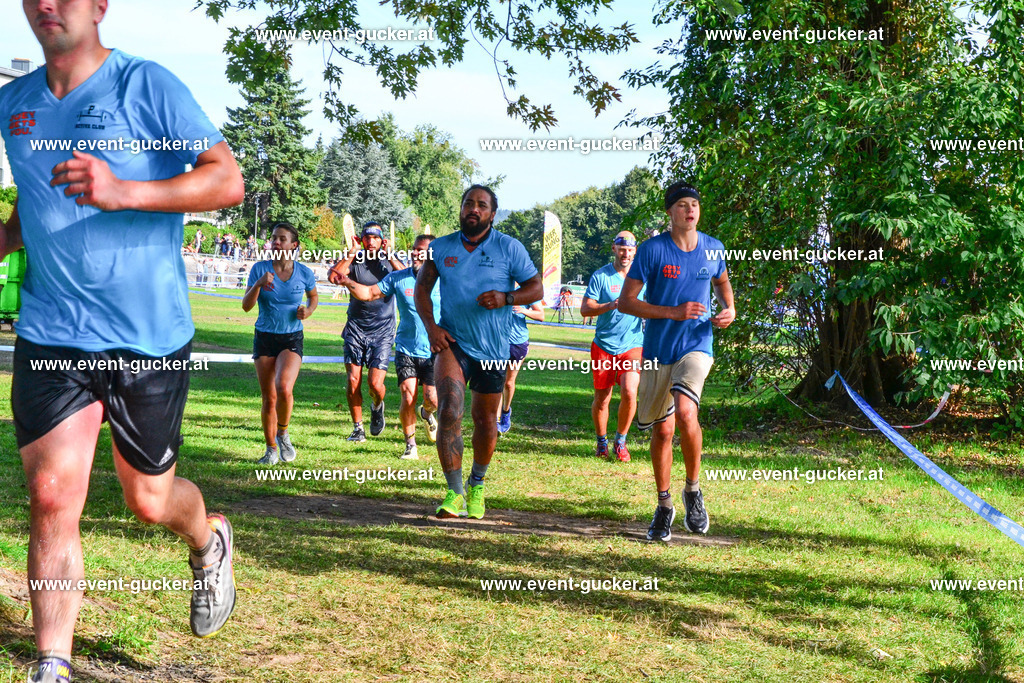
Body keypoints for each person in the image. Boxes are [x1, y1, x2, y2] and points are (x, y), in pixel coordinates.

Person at [0, 2, 246, 680]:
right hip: (52, 331)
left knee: (148, 499)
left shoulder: (147, 86)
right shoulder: (14, 104)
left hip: (146, 337)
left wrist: (123, 190)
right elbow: (37, 198)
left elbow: (228, 179)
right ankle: (52, 664)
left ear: (100, 5)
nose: (49, 5)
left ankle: (208, 538)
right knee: (51, 492)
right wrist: (7, 236)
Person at [415, 185, 543, 519]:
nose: (474, 208)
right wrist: (431, 328)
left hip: (493, 349)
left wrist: (507, 298)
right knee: (448, 411)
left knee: (485, 420)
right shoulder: (441, 248)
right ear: (461, 209)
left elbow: (536, 288)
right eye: (468, 203)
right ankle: (455, 492)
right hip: (452, 344)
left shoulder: (508, 247)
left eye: (481, 205)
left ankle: (478, 482)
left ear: (492, 213)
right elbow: (422, 290)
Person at [619, 182, 735, 541]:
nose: (690, 210)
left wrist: (729, 307)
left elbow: (722, 282)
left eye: (695, 204)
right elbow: (626, 302)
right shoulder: (653, 251)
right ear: (670, 212)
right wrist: (672, 312)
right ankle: (665, 505)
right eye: (683, 204)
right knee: (663, 430)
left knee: (686, 413)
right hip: (657, 349)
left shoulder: (713, 248)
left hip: (697, 344)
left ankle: (693, 490)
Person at [335, 235, 439, 459]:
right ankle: (410, 446)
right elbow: (370, 293)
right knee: (407, 395)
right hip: (406, 348)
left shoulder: (446, 280)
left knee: (432, 399)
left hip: (434, 349)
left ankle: (427, 413)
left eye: (422, 250)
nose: (416, 253)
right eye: (414, 249)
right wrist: (346, 282)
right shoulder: (399, 277)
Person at [242, 222, 318, 465]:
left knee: (284, 387)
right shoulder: (259, 269)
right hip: (264, 335)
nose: (276, 242)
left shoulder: (304, 272)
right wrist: (258, 284)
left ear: (293, 245)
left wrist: (309, 311)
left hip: (291, 337)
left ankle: (283, 433)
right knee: (269, 397)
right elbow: (246, 306)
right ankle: (270, 448)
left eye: (282, 239)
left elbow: (313, 296)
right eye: (274, 238)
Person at [327, 222, 404, 442]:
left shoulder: (389, 263)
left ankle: (377, 405)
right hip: (355, 328)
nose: (371, 242)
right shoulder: (355, 261)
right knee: (353, 381)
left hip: (383, 330)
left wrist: (390, 255)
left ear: (382, 241)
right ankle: (358, 428)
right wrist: (350, 254)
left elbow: (410, 277)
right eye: (367, 238)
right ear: (361, 240)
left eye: (376, 238)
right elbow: (334, 278)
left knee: (375, 384)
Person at [580, 231, 646, 462]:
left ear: (635, 251)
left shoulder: (641, 277)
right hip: (604, 345)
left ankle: (620, 441)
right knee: (603, 398)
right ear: (614, 249)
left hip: (633, 343)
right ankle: (601, 442)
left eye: (630, 249)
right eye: (621, 248)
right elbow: (586, 309)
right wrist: (610, 305)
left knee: (630, 391)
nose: (625, 253)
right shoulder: (601, 276)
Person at [496, 295, 544, 433]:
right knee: (498, 380)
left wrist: (524, 311)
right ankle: (496, 420)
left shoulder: (526, 290)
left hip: (518, 343)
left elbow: (541, 315)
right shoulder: (499, 286)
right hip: (498, 342)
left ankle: (505, 412)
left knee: (509, 383)